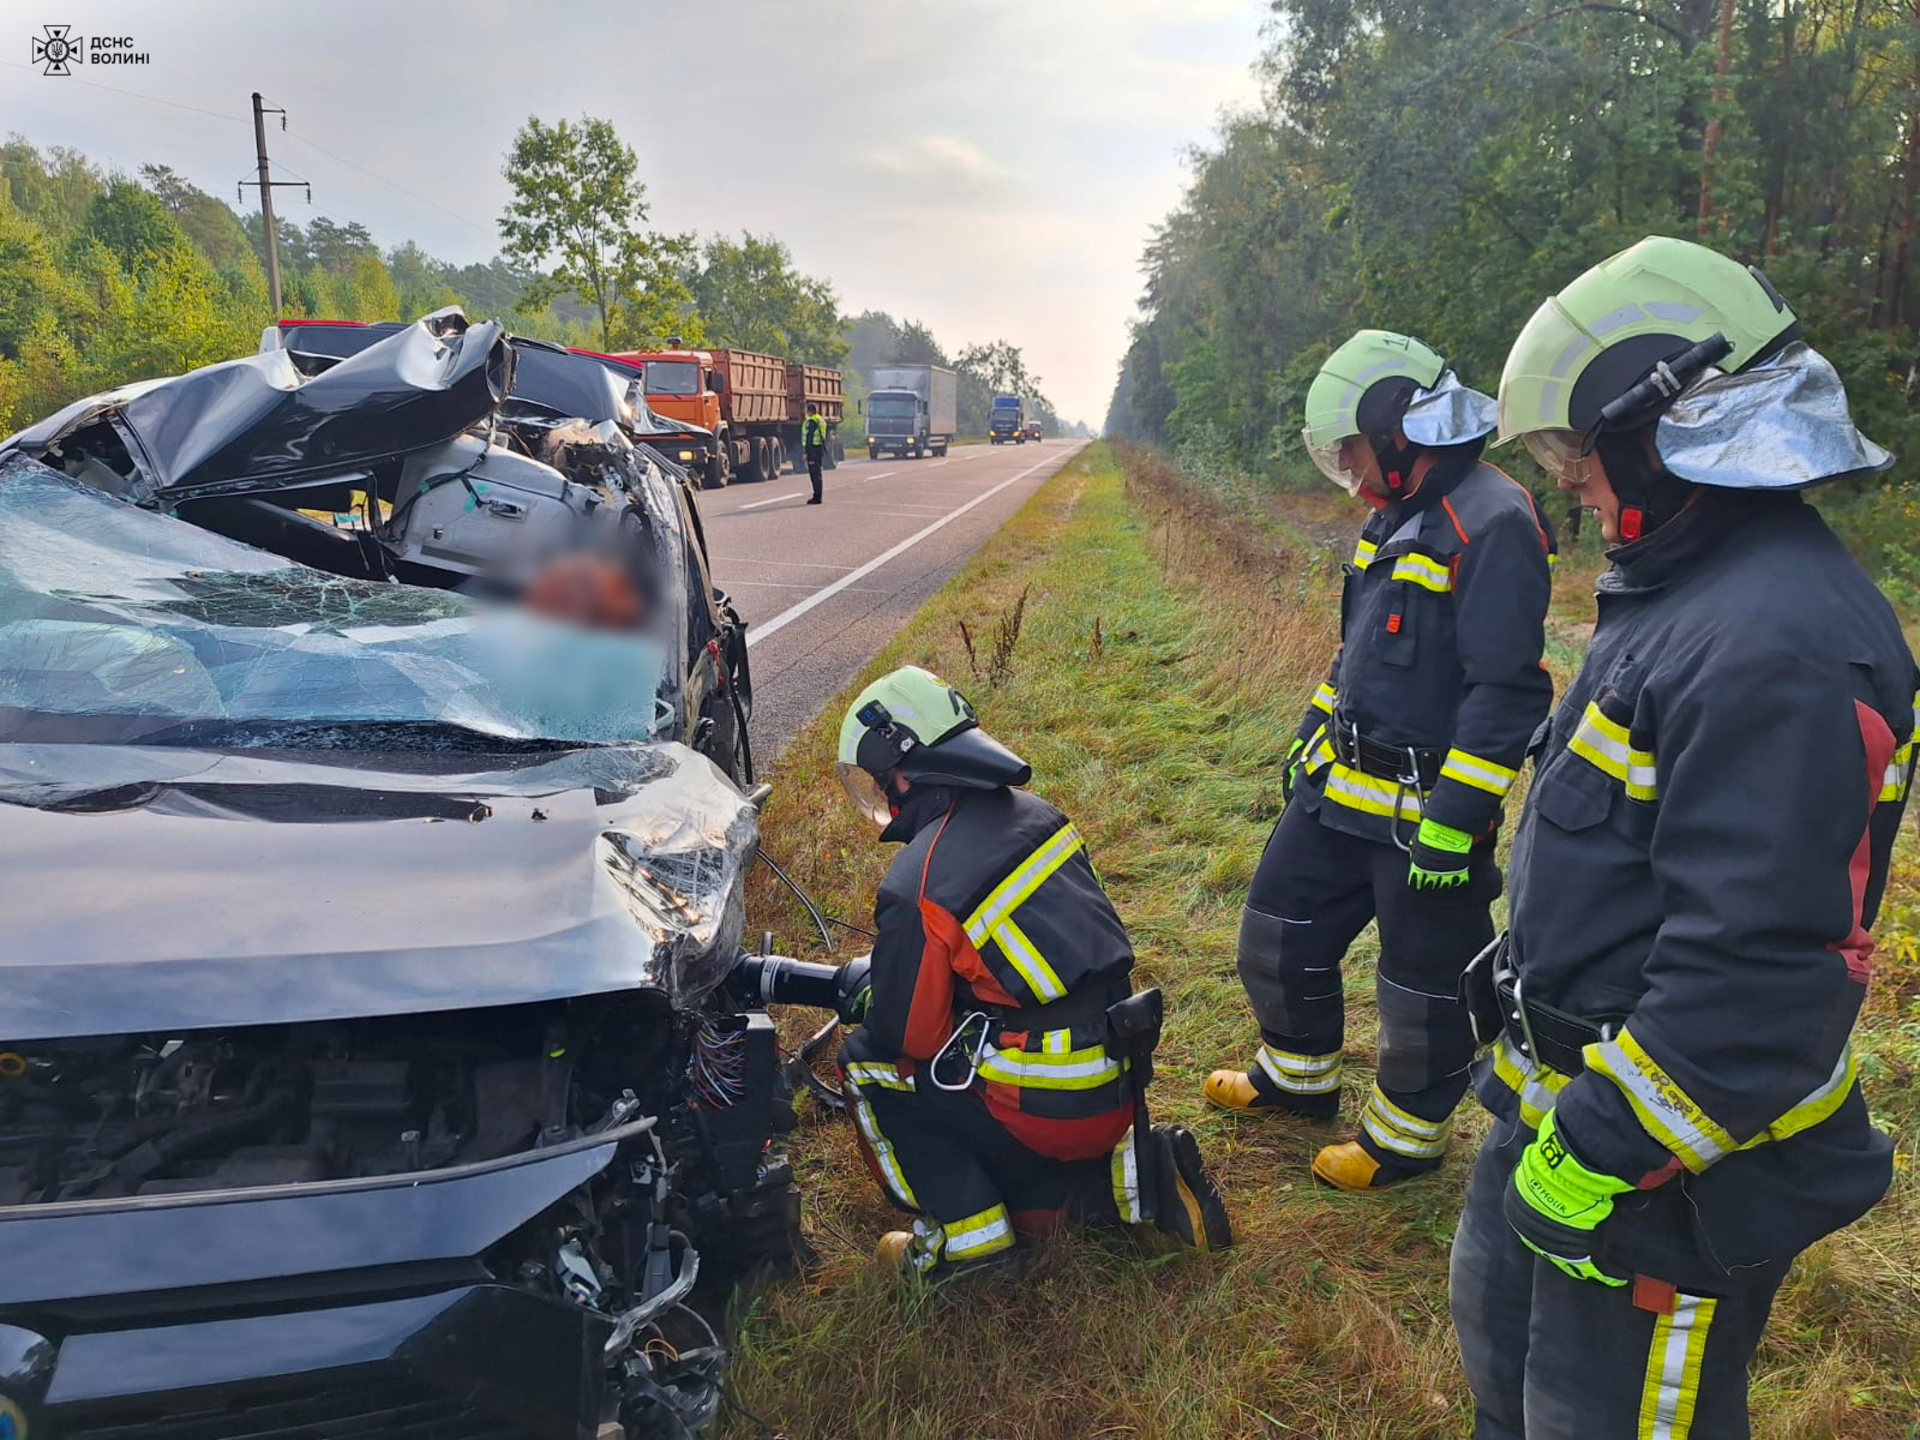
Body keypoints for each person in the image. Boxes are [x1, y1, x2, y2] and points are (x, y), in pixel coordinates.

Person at [1452, 235, 1917, 1438]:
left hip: (1668, 1163)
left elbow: (1761, 970)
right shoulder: (1687, 591)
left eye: (1576, 448)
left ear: (1659, 423)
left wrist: (1603, 1145)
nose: (1568, 481)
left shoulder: (1781, 642)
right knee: (1508, 1379)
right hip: (1574, 1111)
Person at [1205, 330, 1557, 1193]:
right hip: (1340, 785)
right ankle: (1296, 1081)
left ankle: (1405, 1141)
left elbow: (1507, 693)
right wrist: (1310, 731)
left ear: (1401, 430)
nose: (1352, 468)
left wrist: (1457, 820)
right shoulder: (1393, 512)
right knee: (1275, 935)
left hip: (1422, 811)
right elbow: (1357, 651)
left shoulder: (1495, 521)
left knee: (1421, 989)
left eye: (1356, 448)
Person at [833, 665, 1232, 1276]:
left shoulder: (918, 880)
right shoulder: (1042, 816)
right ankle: (1141, 1176)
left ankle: (966, 1245)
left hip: (1045, 1100)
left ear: (904, 769)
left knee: (870, 1063)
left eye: (880, 779)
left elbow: (905, 1036)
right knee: (1039, 1191)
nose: (884, 795)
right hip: (1118, 1078)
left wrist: (876, 996)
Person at [802, 402, 828, 504]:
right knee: (818, 474)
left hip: (812, 450)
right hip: (819, 449)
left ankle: (817, 497)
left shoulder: (811, 421)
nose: (806, 412)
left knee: (814, 475)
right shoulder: (820, 419)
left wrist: (806, 452)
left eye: (807, 410)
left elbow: (809, 437)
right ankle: (818, 495)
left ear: (810, 411)